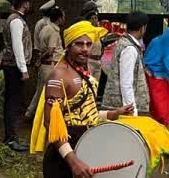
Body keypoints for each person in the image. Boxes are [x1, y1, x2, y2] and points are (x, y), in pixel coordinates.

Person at [30, 20, 134, 178]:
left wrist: (112, 114)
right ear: (68, 46)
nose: (85, 49)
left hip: (86, 147)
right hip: (64, 157)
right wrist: (73, 161)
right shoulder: (59, 75)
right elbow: (51, 123)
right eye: (79, 44)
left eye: (88, 44)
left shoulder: (84, 69)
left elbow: (83, 112)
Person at [0, 0, 33, 151]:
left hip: (12, 65)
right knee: (13, 102)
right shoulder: (17, 21)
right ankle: (11, 138)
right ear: (24, 4)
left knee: (12, 101)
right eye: (28, 3)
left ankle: (11, 136)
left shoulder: (13, 19)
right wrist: (23, 69)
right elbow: (17, 46)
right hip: (14, 66)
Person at [102, 11, 149, 118]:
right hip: (123, 109)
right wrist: (132, 112)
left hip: (120, 106)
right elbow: (126, 83)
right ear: (142, 28)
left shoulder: (123, 42)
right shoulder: (129, 48)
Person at [28, 4, 65, 119]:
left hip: (45, 65)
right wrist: (41, 59)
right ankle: (41, 116)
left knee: (40, 91)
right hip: (50, 65)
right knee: (48, 93)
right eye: (63, 17)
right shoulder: (54, 31)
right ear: (59, 18)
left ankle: (30, 113)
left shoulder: (45, 27)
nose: (64, 19)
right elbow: (50, 50)